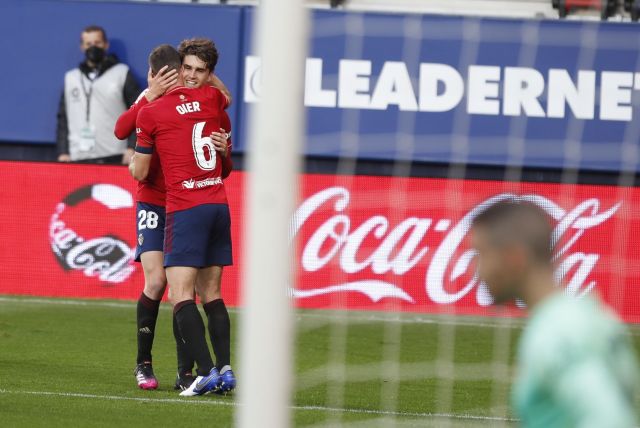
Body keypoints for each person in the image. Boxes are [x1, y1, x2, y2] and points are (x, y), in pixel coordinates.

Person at [115, 42, 233, 391]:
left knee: (190, 289)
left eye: (200, 70)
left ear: (207, 73)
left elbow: (223, 164)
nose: (191, 75)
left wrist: (225, 154)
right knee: (158, 282)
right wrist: (147, 94)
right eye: (187, 69)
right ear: (173, 70)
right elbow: (121, 129)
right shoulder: (153, 99)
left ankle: (189, 371)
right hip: (156, 201)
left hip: (188, 202)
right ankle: (144, 364)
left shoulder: (211, 102)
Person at [471, 200, 638, 428]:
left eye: (481, 255)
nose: (476, 270)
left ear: (513, 258)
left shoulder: (558, 331)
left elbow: (611, 420)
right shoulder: (591, 316)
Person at [57, 25, 141, 164]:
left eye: (97, 43)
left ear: (106, 45)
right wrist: (63, 151)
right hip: (78, 155)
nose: (93, 47)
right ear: (82, 47)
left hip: (115, 154)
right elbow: (63, 118)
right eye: (88, 44)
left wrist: (132, 147)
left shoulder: (122, 73)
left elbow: (138, 112)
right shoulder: (71, 78)